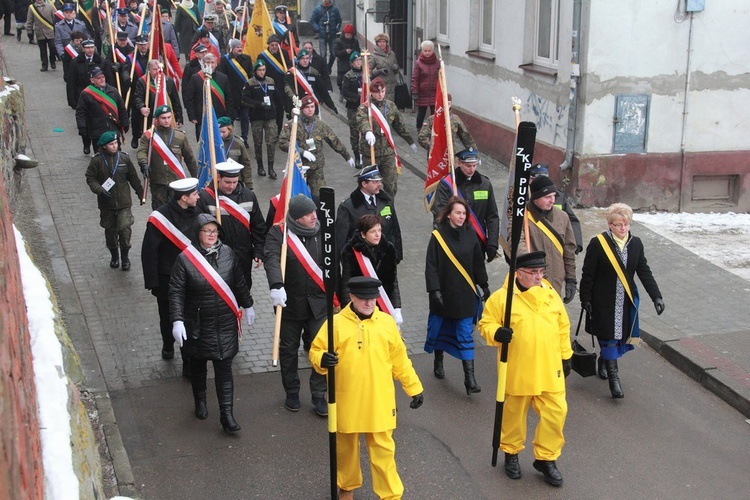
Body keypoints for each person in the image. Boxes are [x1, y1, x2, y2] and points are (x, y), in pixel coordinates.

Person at [309, 276, 423, 500]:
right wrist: (323, 359)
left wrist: (414, 387)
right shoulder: (335, 324)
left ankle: (390, 495)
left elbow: (400, 360)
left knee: (384, 452)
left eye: (373, 298)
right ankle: (346, 487)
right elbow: (315, 351)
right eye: (364, 299)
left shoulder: (387, 323)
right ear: (352, 297)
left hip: (379, 400)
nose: (369, 303)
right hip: (346, 399)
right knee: (346, 450)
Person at [478, 251, 572, 487]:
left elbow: (563, 326)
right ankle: (511, 453)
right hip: (518, 369)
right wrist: (496, 333)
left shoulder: (550, 295)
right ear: (518, 274)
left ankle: (546, 458)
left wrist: (566, 355)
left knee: (556, 414)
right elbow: (485, 323)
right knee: (513, 416)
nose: (539, 277)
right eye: (533, 273)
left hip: (550, 369)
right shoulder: (502, 299)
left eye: (541, 272)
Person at [169, 214, 254, 433]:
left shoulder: (228, 253)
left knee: (224, 368)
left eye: (214, 231)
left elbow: (239, 282)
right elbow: (176, 292)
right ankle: (200, 401)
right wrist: (177, 320)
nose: (211, 235)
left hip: (225, 322)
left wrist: (248, 304)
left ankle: (227, 415)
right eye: (206, 231)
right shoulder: (185, 259)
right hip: (197, 323)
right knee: (198, 367)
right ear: (197, 233)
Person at [579, 203, 665, 398]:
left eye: (626, 224)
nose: (623, 228)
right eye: (618, 224)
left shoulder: (636, 244)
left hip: (625, 302)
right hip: (603, 303)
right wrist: (585, 298)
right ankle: (614, 379)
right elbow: (588, 274)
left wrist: (656, 296)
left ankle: (604, 360)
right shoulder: (598, 243)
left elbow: (644, 272)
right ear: (609, 224)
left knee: (617, 338)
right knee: (608, 338)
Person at [263, 194, 328, 416]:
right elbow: (271, 258)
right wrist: (276, 285)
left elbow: (331, 262)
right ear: (297, 217)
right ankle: (291, 390)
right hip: (290, 304)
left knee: (322, 349)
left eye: (314, 212)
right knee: (288, 350)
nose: (314, 216)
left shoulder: (322, 231)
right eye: (308, 214)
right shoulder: (278, 234)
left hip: (318, 304)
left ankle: (319, 394)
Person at [425, 197, 489, 394]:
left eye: (464, 213)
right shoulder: (438, 237)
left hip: (465, 295)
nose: (461, 217)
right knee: (440, 329)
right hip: (443, 295)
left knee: (464, 335)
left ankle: (470, 378)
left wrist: (484, 284)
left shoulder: (471, 235)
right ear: (449, 214)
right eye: (458, 213)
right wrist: (434, 290)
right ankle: (438, 359)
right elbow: (431, 266)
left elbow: (478, 262)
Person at [141, 177, 201, 371]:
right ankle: (168, 345)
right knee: (167, 318)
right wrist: (153, 282)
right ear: (183, 198)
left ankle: (187, 361)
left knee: (188, 319)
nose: (198, 197)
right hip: (167, 280)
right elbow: (149, 252)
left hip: (191, 278)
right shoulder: (160, 218)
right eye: (194, 194)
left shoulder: (198, 213)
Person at [197, 159, 266, 288]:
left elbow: (258, 226)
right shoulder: (206, 198)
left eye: (234, 182)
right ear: (219, 178)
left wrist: (258, 250)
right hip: (215, 255)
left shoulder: (249, 196)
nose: (231, 186)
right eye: (227, 182)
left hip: (243, 254)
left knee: (244, 288)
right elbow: (198, 229)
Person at [85, 131, 144, 271]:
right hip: (107, 204)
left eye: (116, 143)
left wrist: (141, 194)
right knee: (110, 231)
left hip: (124, 203)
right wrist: (99, 190)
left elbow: (133, 178)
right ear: (104, 146)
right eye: (111, 144)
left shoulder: (124, 159)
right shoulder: (97, 161)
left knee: (124, 229)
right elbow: (90, 178)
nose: (114, 146)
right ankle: (114, 256)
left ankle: (125, 256)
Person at [431, 147, 499, 262]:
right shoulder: (447, 185)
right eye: (468, 166)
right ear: (459, 163)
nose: (472, 169)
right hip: (455, 241)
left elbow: (492, 215)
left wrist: (492, 243)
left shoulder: (484, 184)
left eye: (474, 165)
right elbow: (439, 213)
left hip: (477, 242)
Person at [278, 95, 354, 195]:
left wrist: (347, 156)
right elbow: (282, 142)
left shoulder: (320, 125)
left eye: (312, 107)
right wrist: (302, 152)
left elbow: (334, 141)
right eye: (307, 107)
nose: (310, 110)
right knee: (299, 197)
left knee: (320, 196)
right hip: (299, 168)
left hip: (316, 168)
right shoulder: (293, 124)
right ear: (301, 109)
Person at [356, 77, 418, 198]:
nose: (380, 94)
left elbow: (399, 126)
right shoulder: (365, 108)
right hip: (370, 152)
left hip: (387, 152)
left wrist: (410, 141)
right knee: (368, 185)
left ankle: (388, 208)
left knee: (391, 184)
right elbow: (361, 121)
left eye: (382, 91)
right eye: (377, 92)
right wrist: (368, 131)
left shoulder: (390, 106)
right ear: (371, 93)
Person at [519, 175, 577, 302]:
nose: (552, 200)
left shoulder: (563, 217)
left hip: (555, 282)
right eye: (547, 197)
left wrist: (571, 279)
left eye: (554, 196)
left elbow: (569, 250)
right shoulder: (522, 217)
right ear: (535, 198)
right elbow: (518, 246)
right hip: (530, 282)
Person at [340, 215, 402, 325]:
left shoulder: (389, 249)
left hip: (384, 305)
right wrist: (348, 310)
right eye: (373, 231)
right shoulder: (351, 252)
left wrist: (397, 307)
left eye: (379, 230)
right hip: (362, 306)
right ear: (363, 234)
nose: (378, 235)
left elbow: (394, 282)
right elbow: (346, 284)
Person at [136, 105, 198, 210]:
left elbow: (189, 158)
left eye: (169, 117)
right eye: (163, 118)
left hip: (176, 181)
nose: (167, 121)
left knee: (178, 211)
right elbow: (142, 151)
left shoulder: (180, 136)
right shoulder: (148, 136)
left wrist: (196, 178)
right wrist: (143, 163)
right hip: (158, 181)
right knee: (160, 211)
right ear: (157, 119)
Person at [336, 164, 402, 263]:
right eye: (375, 182)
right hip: (361, 262)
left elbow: (395, 230)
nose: (379, 184)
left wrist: (397, 255)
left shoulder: (385, 201)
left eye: (379, 181)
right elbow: (341, 238)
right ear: (364, 184)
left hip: (385, 258)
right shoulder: (348, 207)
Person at [529, 164, 583, 254]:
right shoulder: (523, 198)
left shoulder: (559, 196)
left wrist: (576, 244)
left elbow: (572, 220)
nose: (552, 200)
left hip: (557, 243)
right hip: (535, 246)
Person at [76, 66, 128, 156]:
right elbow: (80, 112)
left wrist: (125, 122)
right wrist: (82, 127)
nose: (101, 79)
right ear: (92, 80)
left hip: (113, 129)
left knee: (117, 155)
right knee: (100, 157)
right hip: (97, 131)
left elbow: (122, 108)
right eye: (98, 78)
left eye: (103, 77)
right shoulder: (86, 94)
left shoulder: (113, 91)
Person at [242, 59, 281, 179]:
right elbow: (244, 99)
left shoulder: (270, 81)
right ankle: (260, 166)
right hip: (257, 117)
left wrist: (279, 111)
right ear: (255, 71)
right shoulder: (250, 83)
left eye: (263, 70)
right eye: (259, 70)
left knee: (271, 142)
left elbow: (277, 98)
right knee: (258, 142)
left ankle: (271, 168)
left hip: (270, 116)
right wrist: (259, 104)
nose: (262, 72)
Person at [185, 53, 233, 141]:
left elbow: (229, 98)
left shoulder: (223, 78)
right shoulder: (196, 78)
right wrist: (192, 116)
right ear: (203, 63)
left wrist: (228, 116)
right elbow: (190, 98)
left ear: (216, 64)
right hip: (202, 116)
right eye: (207, 62)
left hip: (220, 116)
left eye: (212, 62)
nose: (210, 65)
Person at [134, 59, 184, 141]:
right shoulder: (143, 81)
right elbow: (138, 97)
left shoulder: (168, 81)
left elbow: (175, 101)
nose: (157, 71)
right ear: (149, 70)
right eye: (154, 69)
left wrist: (179, 117)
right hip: (151, 116)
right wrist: (142, 107)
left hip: (167, 116)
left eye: (159, 69)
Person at [217, 38, 254, 147]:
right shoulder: (225, 60)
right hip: (231, 94)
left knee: (245, 118)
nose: (240, 49)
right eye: (237, 47)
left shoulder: (247, 59)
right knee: (231, 117)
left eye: (240, 47)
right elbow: (222, 76)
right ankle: (230, 137)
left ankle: (244, 138)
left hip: (244, 94)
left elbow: (250, 74)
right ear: (232, 48)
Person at [284, 48, 338, 116]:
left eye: (307, 58)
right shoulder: (292, 73)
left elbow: (323, 90)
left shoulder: (314, 72)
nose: (305, 61)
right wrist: (294, 97)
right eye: (302, 58)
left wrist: (331, 105)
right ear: (298, 60)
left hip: (312, 107)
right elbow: (288, 87)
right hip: (298, 105)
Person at [256, 33, 292, 132]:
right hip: (269, 87)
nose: (274, 47)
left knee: (280, 110)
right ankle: (271, 131)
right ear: (269, 45)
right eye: (272, 45)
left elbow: (288, 65)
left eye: (276, 45)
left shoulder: (284, 53)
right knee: (271, 109)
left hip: (282, 86)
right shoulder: (262, 56)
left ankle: (279, 130)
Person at [340, 51, 363, 165]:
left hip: (365, 108)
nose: (358, 63)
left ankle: (366, 155)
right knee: (355, 133)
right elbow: (345, 92)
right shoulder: (349, 75)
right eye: (356, 61)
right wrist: (357, 98)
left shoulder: (365, 73)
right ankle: (357, 156)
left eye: (359, 60)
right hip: (353, 108)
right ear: (352, 63)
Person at [217, 117, 254, 190]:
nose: (221, 135)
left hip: (234, 182)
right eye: (219, 132)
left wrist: (248, 183)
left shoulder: (238, 143)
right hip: (218, 181)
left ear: (230, 130)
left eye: (223, 132)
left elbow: (245, 163)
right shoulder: (213, 144)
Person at [411, 40, 439, 130]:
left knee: (434, 114)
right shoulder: (418, 63)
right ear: (422, 51)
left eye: (429, 51)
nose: (427, 53)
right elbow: (415, 78)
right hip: (422, 92)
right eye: (425, 51)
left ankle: (433, 131)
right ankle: (419, 130)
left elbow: (441, 78)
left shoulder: (438, 63)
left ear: (432, 51)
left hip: (435, 92)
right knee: (421, 114)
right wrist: (415, 91)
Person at [309, 0, 341, 71]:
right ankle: (325, 69)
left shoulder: (335, 10)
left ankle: (329, 66)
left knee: (333, 53)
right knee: (323, 55)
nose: (325, 1)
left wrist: (336, 29)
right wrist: (317, 29)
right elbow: (312, 20)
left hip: (332, 35)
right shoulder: (317, 9)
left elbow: (339, 21)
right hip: (322, 35)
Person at [26, 0, 57, 71]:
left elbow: (55, 20)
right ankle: (44, 65)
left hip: (50, 32)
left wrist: (56, 31)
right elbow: (29, 20)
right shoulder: (32, 7)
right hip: (39, 32)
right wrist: (29, 31)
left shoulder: (50, 7)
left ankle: (52, 61)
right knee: (43, 50)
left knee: (52, 47)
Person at [370, 33, 399, 102]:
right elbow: (368, 72)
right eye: (380, 42)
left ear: (387, 43)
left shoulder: (392, 54)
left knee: (390, 106)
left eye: (384, 42)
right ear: (377, 43)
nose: (382, 44)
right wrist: (378, 71)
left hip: (391, 86)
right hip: (380, 86)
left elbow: (396, 69)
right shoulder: (373, 56)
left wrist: (396, 68)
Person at [62, 30, 86, 108]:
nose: (79, 42)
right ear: (73, 40)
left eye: (80, 40)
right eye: (77, 41)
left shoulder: (84, 47)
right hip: (72, 70)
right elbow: (66, 63)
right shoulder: (69, 49)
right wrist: (66, 74)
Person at [333, 24, 360, 92]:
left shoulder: (355, 41)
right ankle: (341, 91)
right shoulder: (338, 41)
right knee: (341, 78)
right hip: (342, 62)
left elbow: (357, 51)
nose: (348, 36)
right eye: (347, 34)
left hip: (352, 63)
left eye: (349, 34)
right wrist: (345, 52)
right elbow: (336, 52)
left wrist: (352, 52)